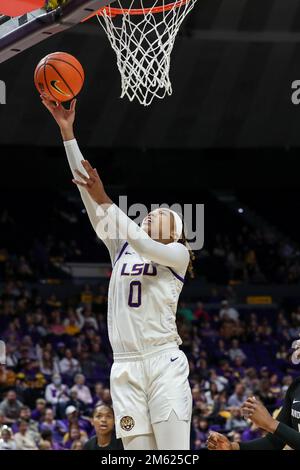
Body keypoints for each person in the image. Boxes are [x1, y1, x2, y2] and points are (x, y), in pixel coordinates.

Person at [41, 95, 194, 450]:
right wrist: (68, 133)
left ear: (176, 232)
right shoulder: (121, 247)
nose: (153, 214)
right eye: (150, 212)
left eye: (163, 214)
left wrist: (107, 199)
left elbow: (143, 243)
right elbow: (89, 194)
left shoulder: (177, 254)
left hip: (163, 362)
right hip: (124, 367)